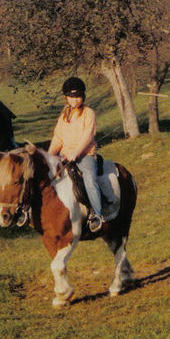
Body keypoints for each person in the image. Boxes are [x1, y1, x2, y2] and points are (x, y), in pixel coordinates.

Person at [48, 77, 104, 232]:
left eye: (78, 96)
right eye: (71, 97)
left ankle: (96, 214)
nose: (75, 100)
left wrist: (76, 152)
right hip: (65, 156)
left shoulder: (88, 113)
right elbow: (58, 137)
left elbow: (88, 136)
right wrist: (49, 155)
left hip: (85, 155)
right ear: (66, 97)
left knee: (89, 178)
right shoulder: (64, 115)